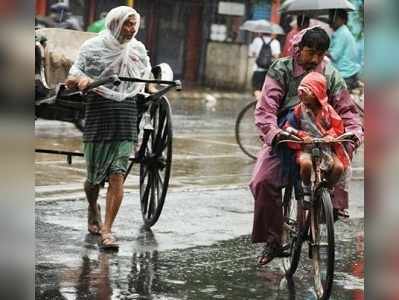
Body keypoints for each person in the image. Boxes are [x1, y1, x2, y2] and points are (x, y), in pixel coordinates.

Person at [250, 26, 363, 265]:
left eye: (320, 54)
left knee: (336, 169)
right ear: (298, 49)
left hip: (321, 139)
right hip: (287, 137)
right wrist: (274, 133)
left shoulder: (330, 74)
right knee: (262, 181)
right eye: (310, 52)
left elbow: (347, 111)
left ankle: (323, 211)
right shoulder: (280, 69)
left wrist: (353, 133)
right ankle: (274, 238)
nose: (314, 59)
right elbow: (265, 110)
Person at [65, 6, 152, 250]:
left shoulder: (137, 49)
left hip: (126, 116)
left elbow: (145, 76)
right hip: (99, 116)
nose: (132, 29)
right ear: (115, 24)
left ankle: (107, 230)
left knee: (117, 174)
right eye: (127, 24)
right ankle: (93, 208)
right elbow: (72, 77)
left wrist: (154, 88)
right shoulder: (92, 48)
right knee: (93, 180)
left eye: (134, 24)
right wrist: (81, 81)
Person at [283, 72, 351, 208]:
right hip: (306, 148)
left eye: (305, 91)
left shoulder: (328, 110)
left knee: (339, 167)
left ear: (316, 93)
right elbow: (288, 127)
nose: (300, 94)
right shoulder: (298, 110)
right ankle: (306, 189)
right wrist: (302, 136)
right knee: (306, 164)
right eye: (300, 91)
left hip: (325, 148)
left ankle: (327, 191)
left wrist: (330, 135)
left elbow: (338, 127)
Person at [328, 9, 361, 90]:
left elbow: (334, 55)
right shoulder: (341, 32)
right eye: (330, 17)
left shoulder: (342, 33)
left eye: (333, 18)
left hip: (345, 75)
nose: (330, 20)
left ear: (342, 20)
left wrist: (322, 50)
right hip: (348, 73)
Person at [249, 32, 281, 100]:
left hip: (258, 69)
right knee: (266, 90)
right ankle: (262, 103)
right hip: (270, 71)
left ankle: (258, 101)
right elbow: (277, 57)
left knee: (257, 88)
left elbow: (252, 53)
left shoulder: (257, 40)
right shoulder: (275, 42)